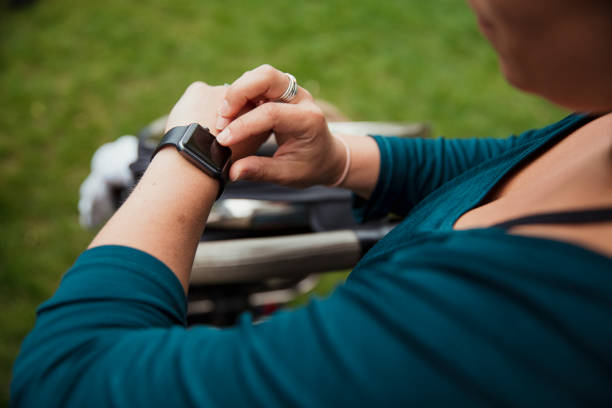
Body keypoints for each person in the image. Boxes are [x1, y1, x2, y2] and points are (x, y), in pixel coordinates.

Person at [10, 0, 612, 406]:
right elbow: (514, 164)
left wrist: (186, 152)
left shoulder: (511, 316)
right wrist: (341, 161)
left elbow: (68, 376)